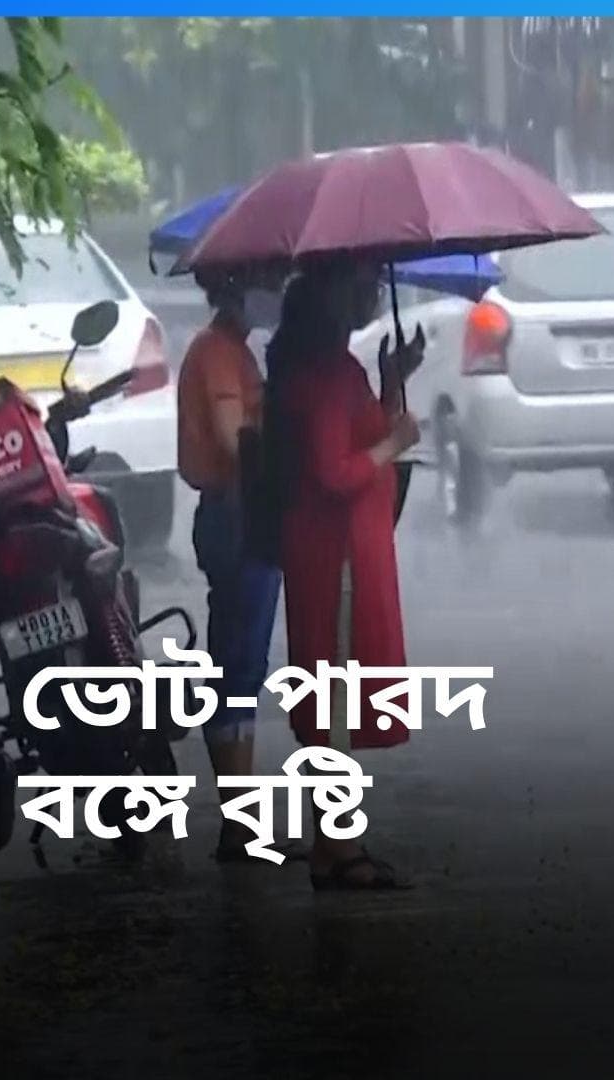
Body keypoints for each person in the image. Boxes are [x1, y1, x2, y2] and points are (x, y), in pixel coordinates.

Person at [261, 263, 422, 890]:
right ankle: (340, 842)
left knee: (331, 686)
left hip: (336, 548)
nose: (373, 297)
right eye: (363, 288)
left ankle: (333, 839)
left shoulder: (334, 368)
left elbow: (366, 433)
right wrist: (392, 447)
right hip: (339, 556)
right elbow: (336, 471)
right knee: (335, 688)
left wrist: (390, 381)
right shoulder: (325, 377)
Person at [176, 268, 284, 862]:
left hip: (237, 514)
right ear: (240, 289)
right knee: (238, 671)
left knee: (239, 667)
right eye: (270, 283)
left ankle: (241, 821)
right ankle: (240, 823)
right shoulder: (218, 353)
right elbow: (232, 438)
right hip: (237, 514)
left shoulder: (232, 351)